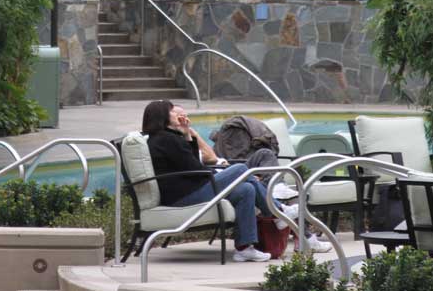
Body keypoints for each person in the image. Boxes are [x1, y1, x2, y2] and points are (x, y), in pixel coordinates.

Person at [141, 100, 332, 260]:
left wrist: (186, 134)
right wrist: (218, 172)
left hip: (190, 188)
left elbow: (190, 163)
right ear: (162, 117)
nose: (179, 116)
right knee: (240, 169)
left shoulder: (168, 138)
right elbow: (195, 168)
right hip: (184, 196)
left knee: (246, 189)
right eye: (172, 113)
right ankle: (279, 210)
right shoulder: (166, 140)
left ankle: (244, 248)